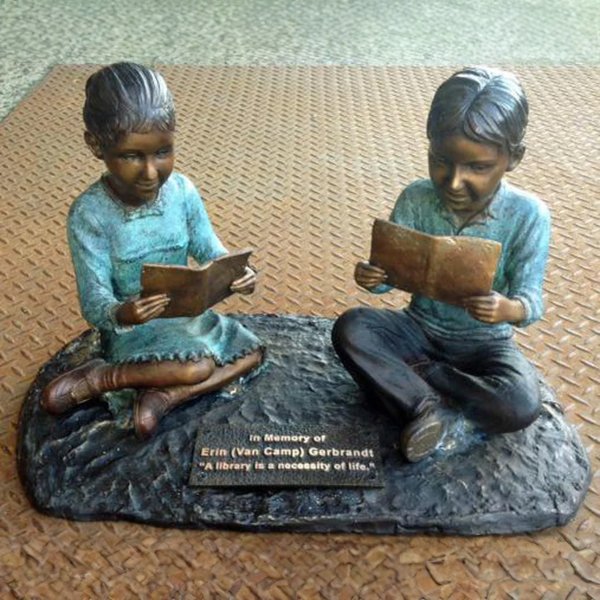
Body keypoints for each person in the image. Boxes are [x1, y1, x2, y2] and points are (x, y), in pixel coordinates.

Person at [331, 67, 551, 463]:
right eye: (441, 161)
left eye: (477, 168)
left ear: (513, 158)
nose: (452, 182)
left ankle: (421, 393)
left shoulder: (528, 215)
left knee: (519, 403)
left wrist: (508, 308)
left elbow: (532, 300)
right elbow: (389, 274)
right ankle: (430, 409)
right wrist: (375, 277)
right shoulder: (416, 199)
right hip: (418, 330)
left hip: (485, 346)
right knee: (352, 328)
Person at [42, 62, 264, 439]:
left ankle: (165, 396)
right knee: (197, 366)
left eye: (162, 152)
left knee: (254, 352)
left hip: (187, 321)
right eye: (131, 156)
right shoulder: (90, 215)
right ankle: (104, 377)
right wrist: (123, 312)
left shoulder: (182, 192)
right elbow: (94, 299)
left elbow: (208, 248)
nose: (150, 172)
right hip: (134, 331)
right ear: (96, 145)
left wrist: (235, 273)